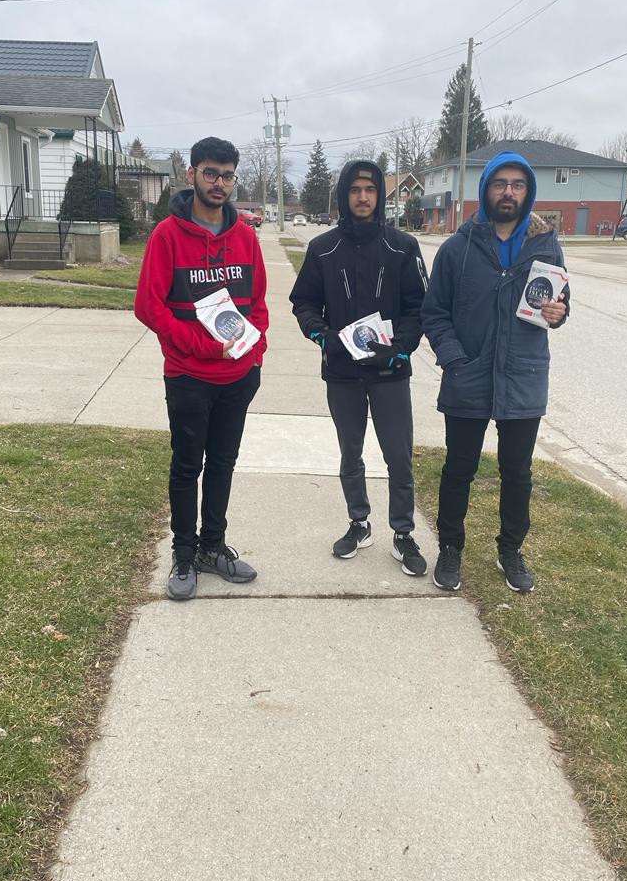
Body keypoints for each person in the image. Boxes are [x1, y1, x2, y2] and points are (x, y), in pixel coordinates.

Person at [421, 150, 569, 593]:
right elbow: (434, 313)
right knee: (458, 468)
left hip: (523, 376)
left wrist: (559, 313)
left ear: (528, 192)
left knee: (517, 473)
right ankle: (450, 548)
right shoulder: (457, 248)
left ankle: (511, 550)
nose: (508, 192)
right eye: (500, 184)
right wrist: (454, 358)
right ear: (486, 189)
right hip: (468, 375)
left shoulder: (546, 246)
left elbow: (558, 304)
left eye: (517, 185)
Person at [135, 136, 268, 601]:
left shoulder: (245, 238)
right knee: (187, 465)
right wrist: (203, 347)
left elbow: (258, 304)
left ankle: (213, 546)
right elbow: (149, 307)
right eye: (211, 173)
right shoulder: (167, 236)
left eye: (227, 175)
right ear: (191, 174)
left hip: (237, 378)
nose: (219, 183)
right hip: (188, 376)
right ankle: (185, 554)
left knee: (223, 463)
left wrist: (255, 350)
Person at [289, 161, 429, 575]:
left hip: (390, 373)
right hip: (343, 374)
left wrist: (400, 349)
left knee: (398, 456)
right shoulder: (322, 248)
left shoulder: (403, 247)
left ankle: (403, 532)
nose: (363, 197)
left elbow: (419, 307)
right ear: (344, 196)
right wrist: (324, 337)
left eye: (370, 189)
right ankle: (359, 523)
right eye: (355, 190)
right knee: (350, 453)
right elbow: (304, 303)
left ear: (379, 196)